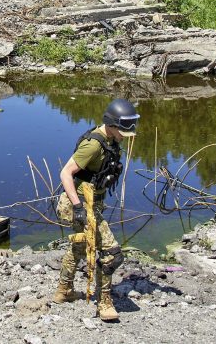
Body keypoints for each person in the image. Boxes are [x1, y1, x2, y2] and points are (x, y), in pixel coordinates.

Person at [52, 98, 139, 321]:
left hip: (93, 202)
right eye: (123, 132)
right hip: (79, 204)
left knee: (79, 247)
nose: (125, 137)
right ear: (111, 124)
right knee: (112, 253)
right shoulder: (93, 144)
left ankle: (64, 291)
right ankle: (104, 303)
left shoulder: (111, 140)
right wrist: (78, 207)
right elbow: (65, 173)